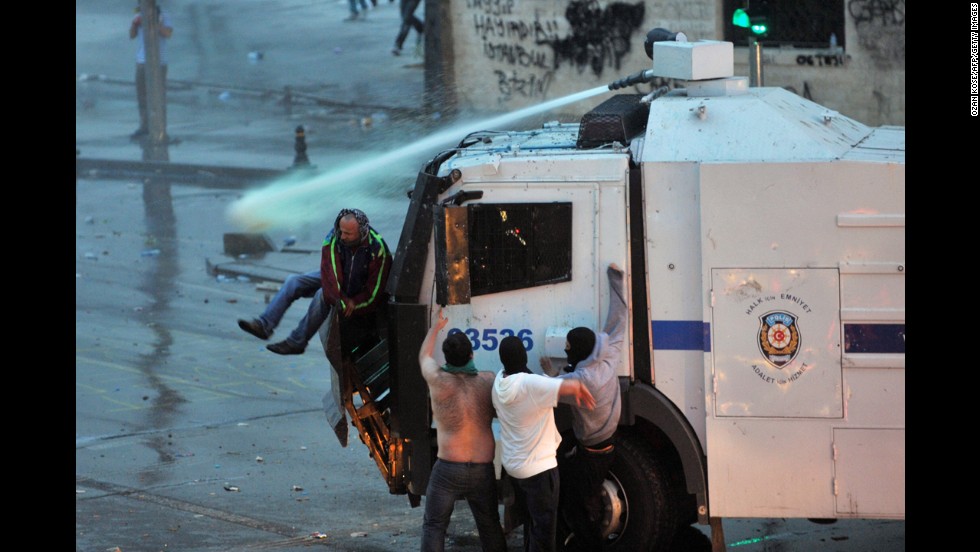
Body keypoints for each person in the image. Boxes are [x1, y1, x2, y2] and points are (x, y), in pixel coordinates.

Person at [541, 263, 627, 551]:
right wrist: (616, 279)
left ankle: (590, 545)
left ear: (577, 351)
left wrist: (548, 372)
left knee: (574, 504)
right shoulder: (607, 355)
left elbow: (548, 390)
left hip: (592, 452)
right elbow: (619, 319)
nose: (566, 350)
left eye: (568, 347)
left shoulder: (581, 381)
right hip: (606, 442)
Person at [493, 336, 596, 552]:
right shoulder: (531, 385)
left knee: (531, 522)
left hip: (515, 468)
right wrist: (579, 389)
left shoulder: (499, 384)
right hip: (539, 470)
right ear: (523, 355)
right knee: (544, 530)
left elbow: (534, 383)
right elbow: (567, 387)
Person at [417, 308, 507, 552]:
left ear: (446, 358)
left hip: (448, 468)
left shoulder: (437, 380)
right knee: (490, 525)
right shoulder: (488, 380)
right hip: (482, 468)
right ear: (471, 354)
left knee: (434, 526)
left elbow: (424, 356)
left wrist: (436, 326)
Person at [237, 270, 328, 356]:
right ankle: (264, 325)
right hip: (335, 270)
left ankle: (296, 342)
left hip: (341, 278)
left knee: (323, 294)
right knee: (293, 281)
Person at [129, 2, 174, 139]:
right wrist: (135, 24)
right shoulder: (138, 15)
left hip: (159, 62)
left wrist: (157, 23)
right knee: (142, 95)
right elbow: (131, 35)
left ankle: (161, 127)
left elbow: (168, 34)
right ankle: (144, 126)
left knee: (159, 95)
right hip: (142, 61)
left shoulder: (164, 16)